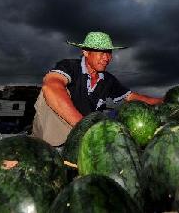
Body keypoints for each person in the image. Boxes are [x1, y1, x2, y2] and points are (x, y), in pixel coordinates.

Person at [32, 31, 163, 146]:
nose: (107, 58)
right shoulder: (69, 66)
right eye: (101, 52)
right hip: (57, 135)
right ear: (86, 52)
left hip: (82, 138)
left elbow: (132, 97)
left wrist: (163, 101)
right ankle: (52, 148)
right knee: (51, 91)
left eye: (109, 52)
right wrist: (84, 127)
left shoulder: (108, 80)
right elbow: (51, 86)